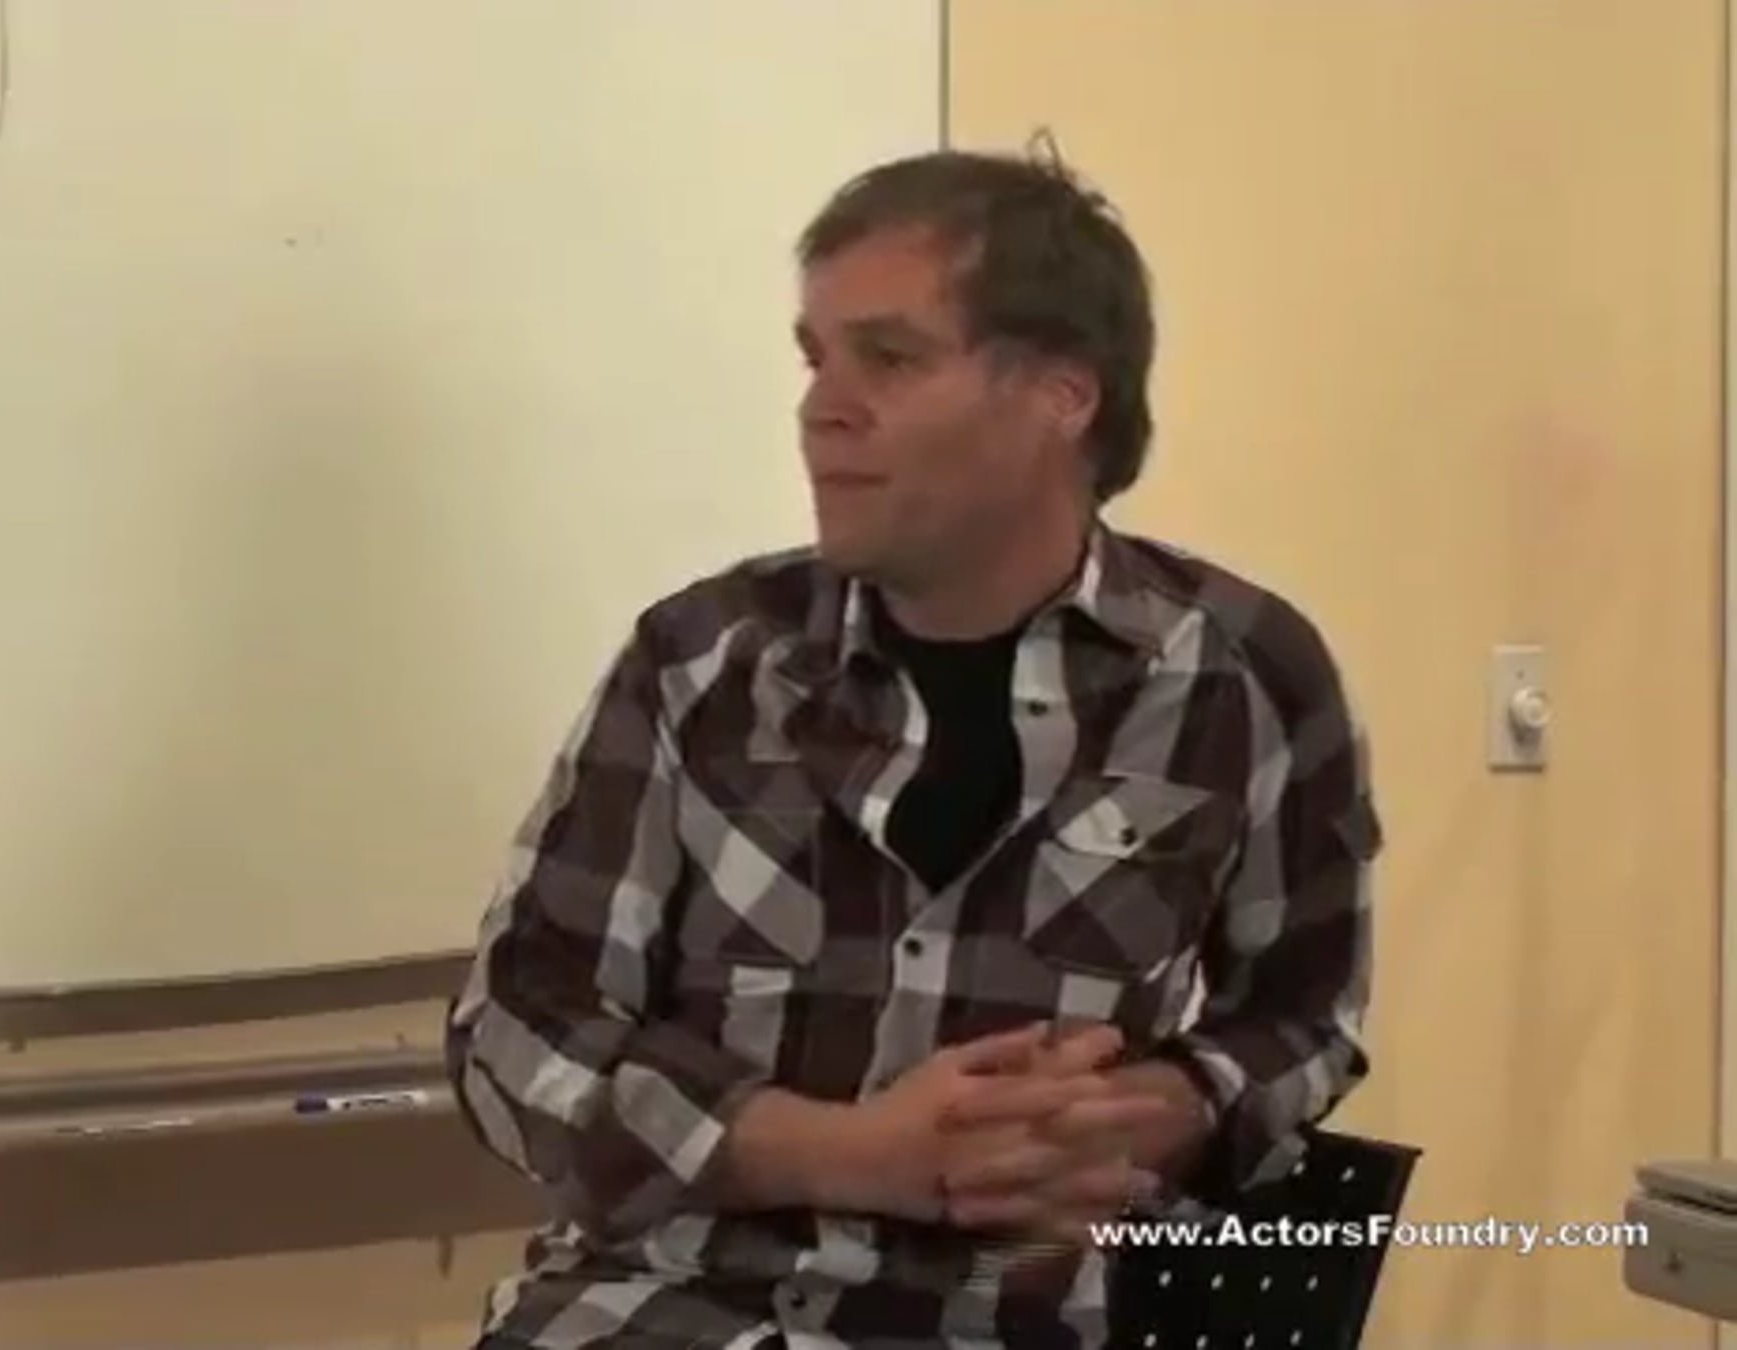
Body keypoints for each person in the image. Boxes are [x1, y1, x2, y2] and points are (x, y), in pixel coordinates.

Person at [441, 143, 1382, 1350]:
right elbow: (514, 1033)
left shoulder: (1243, 677)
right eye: (815, 359)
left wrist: (1163, 1109)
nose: (821, 408)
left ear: (1063, 395)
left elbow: (1304, 1023)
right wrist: (842, 1153)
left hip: (1016, 1317)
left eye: (887, 358)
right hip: (669, 1312)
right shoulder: (703, 664)